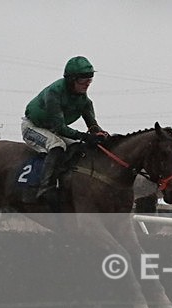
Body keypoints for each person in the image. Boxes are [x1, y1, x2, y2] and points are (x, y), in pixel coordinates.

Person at [21, 56, 109, 207]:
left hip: (52, 129)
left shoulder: (84, 101)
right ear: (71, 79)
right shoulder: (54, 93)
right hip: (32, 127)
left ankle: (65, 183)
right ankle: (45, 188)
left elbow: (92, 126)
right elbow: (60, 128)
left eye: (90, 79)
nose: (87, 83)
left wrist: (101, 135)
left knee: (76, 146)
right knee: (57, 145)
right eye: (83, 80)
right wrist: (85, 136)